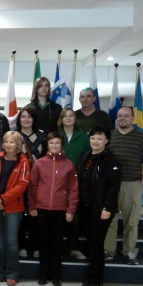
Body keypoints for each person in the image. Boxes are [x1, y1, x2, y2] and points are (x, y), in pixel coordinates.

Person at [104, 106, 143, 265]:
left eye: (126, 115)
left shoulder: (141, 137)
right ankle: (108, 250)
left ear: (133, 118)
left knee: (131, 221)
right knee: (109, 219)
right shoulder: (109, 136)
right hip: (111, 185)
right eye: (120, 116)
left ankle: (130, 251)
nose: (122, 118)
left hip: (133, 184)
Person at [28, 132, 79, 286]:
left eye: (57, 143)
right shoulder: (39, 163)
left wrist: (70, 210)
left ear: (61, 145)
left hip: (60, 209)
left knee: (57, 244)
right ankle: (43, 275)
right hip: (42, 209)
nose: (54, 146)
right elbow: (33, 187)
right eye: (51, 143)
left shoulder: (69, 165)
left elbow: (73, 189)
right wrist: (32, 206)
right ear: (47, 145)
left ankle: (55, 276)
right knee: (44, 243)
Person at [76, 126, 121, 286]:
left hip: (101, 209)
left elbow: (113, 187)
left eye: (99, 138)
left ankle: (95, 280)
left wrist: (107, 207)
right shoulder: (85, 156)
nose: (95, 141)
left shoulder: (110, 160)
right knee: (90, 243)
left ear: (106, 141)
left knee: (96, 244)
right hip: (85, 207)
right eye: (93, 138)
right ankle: (90, 275)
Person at [0, 131, 30, 286]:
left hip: (13, 207)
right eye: (6, 142)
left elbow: (22, 185)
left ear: (18, 145)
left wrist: (3, 198)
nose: (8, 145)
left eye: (12, 142)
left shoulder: (23, 161)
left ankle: (12, 273)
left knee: (11, 242)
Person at [58, 108, 90, 260]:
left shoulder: (83, 136)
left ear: (75, 119)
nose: (68, 118)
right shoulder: (56, 135)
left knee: (74, 216)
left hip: (77, 181)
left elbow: (89, 157)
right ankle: (57, 249)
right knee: (57, 216)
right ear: (61, 119)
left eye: (71, 116)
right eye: (65, 116)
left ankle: (74, 248)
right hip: (57, 182)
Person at [15, 105, 46, 259]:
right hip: (18, 180)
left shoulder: (42, 136)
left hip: (37, 181)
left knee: (36, 215)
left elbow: (46, 158)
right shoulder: (14, 135)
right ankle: (21, 246)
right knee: (19, 215)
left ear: (34, 119)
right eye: (23, 117)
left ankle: (36, 246)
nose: (26, 120)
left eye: (29, 117)